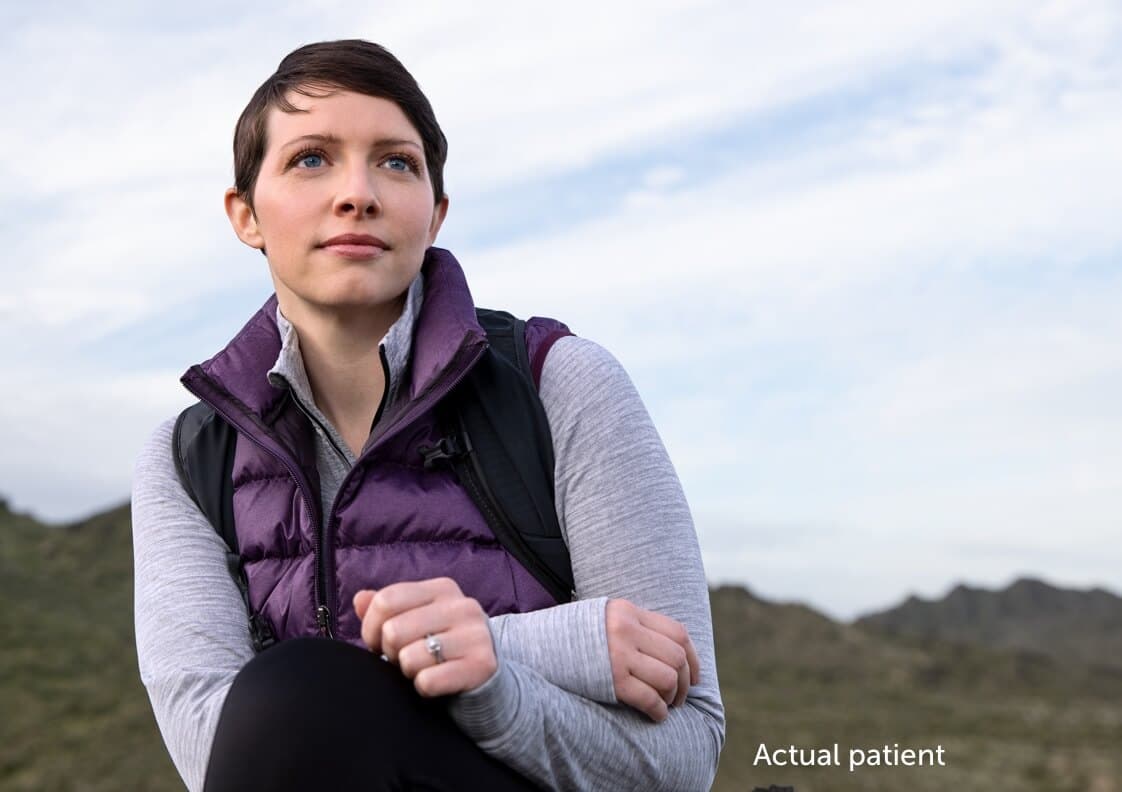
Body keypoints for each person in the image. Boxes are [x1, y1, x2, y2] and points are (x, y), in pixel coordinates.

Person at [131, 39, 724, 791]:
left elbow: (688, 750)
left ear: (435, 212)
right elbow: (216, 747)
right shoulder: (188, 459)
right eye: (311, 158)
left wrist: (495, 683)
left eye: (396, 162)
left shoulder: (558, 383)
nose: (358, 193)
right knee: (298, 692)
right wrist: (547, 643)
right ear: (245, 215)